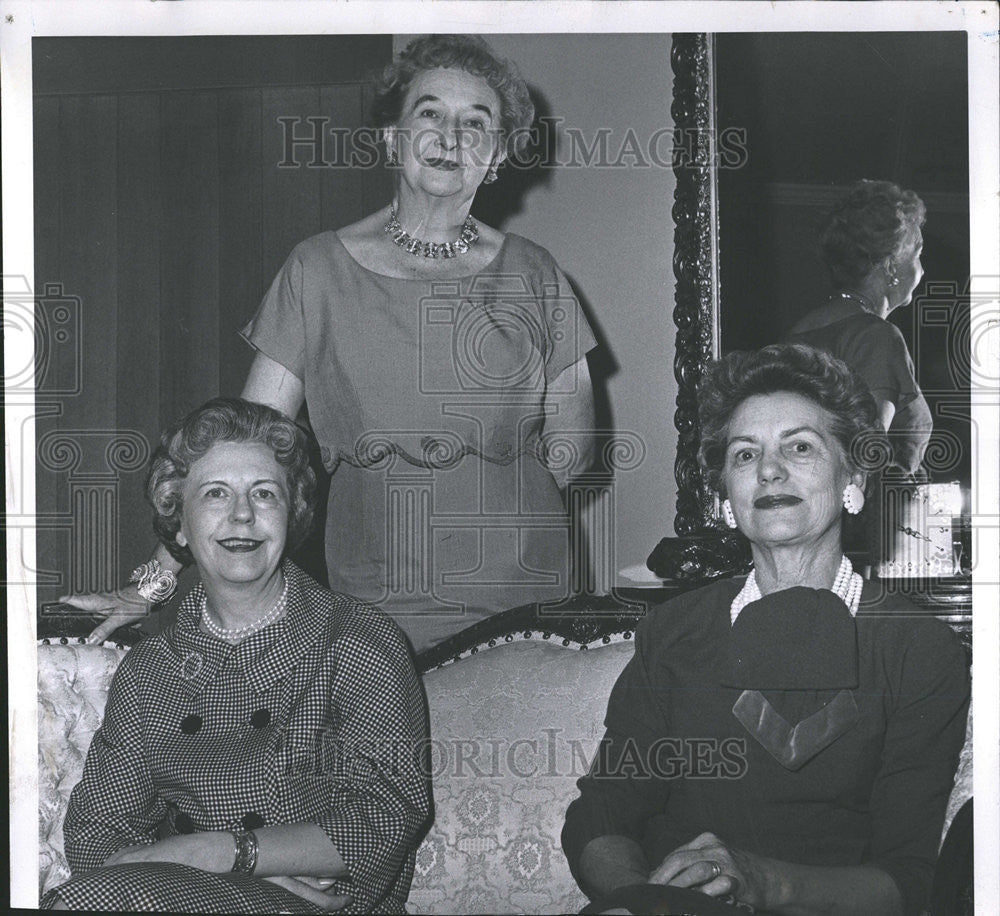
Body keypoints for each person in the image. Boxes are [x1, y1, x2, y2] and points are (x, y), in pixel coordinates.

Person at [65, 34, 598, 653]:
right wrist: (152, 583)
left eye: (476, 123)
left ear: (498, 155)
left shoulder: (536, 272)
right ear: (390, 137)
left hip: (528, 593)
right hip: (378, 600)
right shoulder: (317, 270)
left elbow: (571, 450)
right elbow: (241, 447)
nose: (451, 136)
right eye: (430, 113)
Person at [562, 344, 968, 916]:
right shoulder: (675, 631)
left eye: (800, 447)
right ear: (728, 495)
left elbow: (909, 878)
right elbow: (604, 812)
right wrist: (644, 899)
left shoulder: (916, 649)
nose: (769, 470)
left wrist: (762, 883)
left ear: (853, 477)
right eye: (745, 454)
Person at [42, 399, 431, 914]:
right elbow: (97, 837)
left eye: (264, 494)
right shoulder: (150, 670)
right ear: (179, 525)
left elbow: (385, 816)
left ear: (292, 516)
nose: (242, 514)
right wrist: (216, 866)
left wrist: (234, 854)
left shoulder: (354, 639)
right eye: (216, 493)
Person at [787, 180, 931, 475]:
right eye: (917, 255)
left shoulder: (797, 333)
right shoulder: (877, 336)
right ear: (891, 267)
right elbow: (864, 459)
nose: (922, 269)